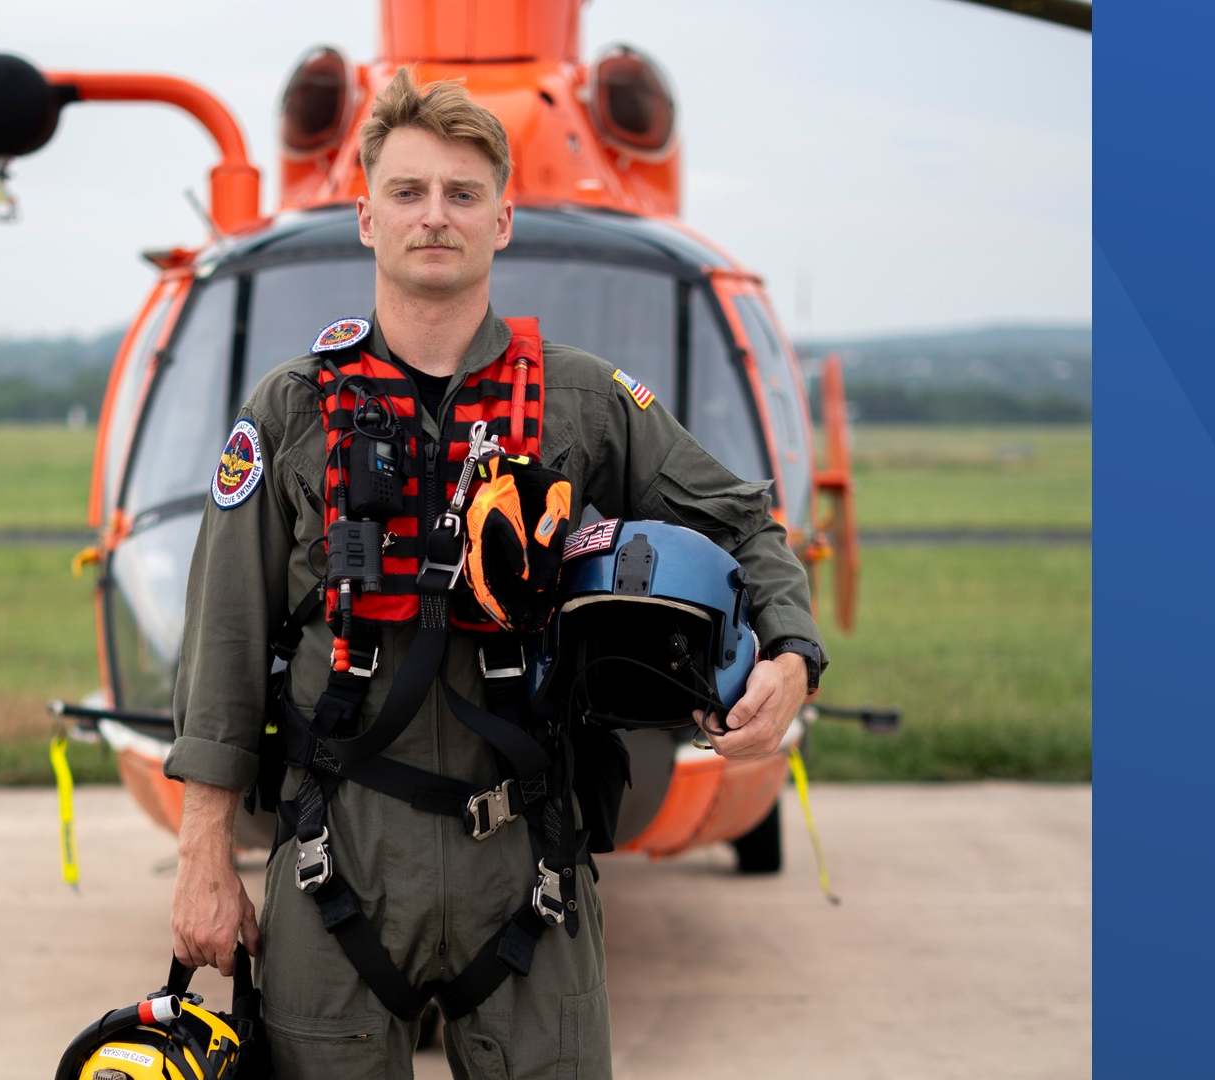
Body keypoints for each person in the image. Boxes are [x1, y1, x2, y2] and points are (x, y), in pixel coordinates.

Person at [163, 69, 826, 1080]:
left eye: (463, 194)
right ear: (366, 217)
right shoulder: (294, 409)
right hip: (336, 848)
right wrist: (203, 857)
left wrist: (790, 654)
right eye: (409, 191)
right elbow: (224, 637)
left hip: (528, 858)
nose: (436, 216)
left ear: (503, 221)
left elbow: (742, 517)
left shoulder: (584, 402)